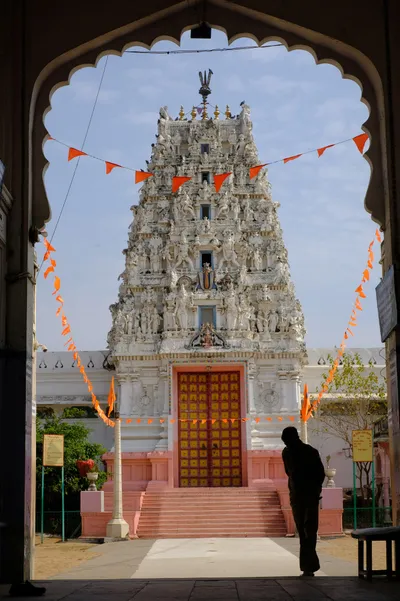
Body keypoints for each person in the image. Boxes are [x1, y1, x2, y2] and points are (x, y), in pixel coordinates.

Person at [281, 426, 325, 577]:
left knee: (309, 530)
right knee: (304, 530)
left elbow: (319, 474)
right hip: (298, 495)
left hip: (308, 495)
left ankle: (309, 565)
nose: (286, 443)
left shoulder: (308, 452)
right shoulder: (287, 452)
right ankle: (309, 565)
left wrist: (314, 490)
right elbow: (289, 472)